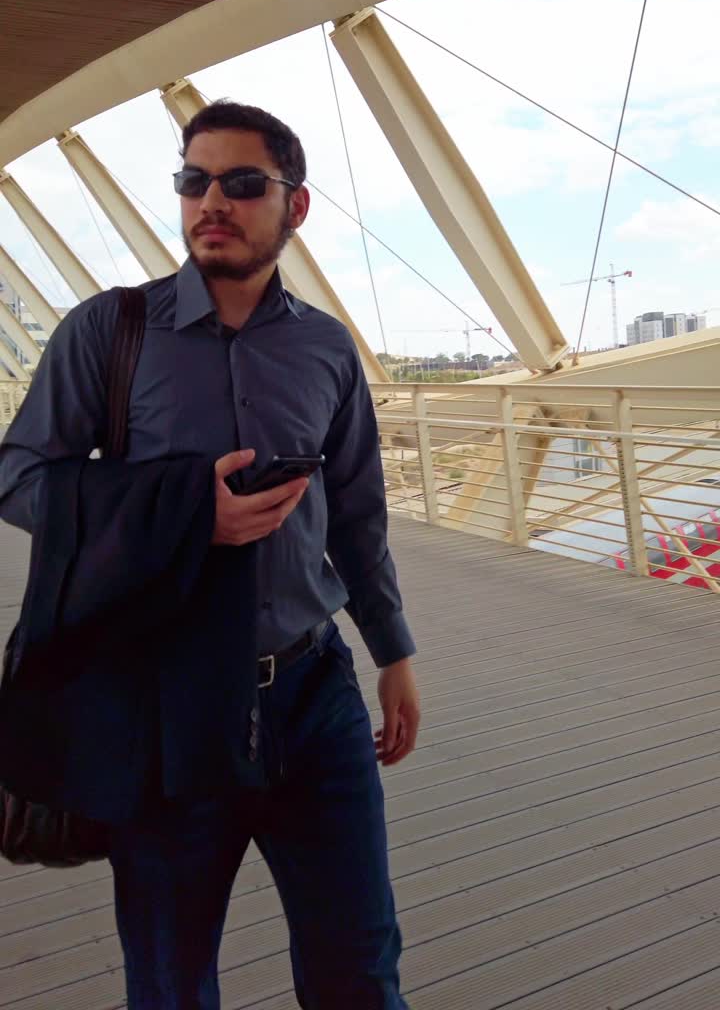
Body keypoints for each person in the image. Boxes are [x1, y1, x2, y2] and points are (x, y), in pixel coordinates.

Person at [0, 100, 420, 1009]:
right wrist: (187, 516)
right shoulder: (108, 333)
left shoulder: (325, 347)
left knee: (361, 966)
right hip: (165, 704)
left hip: (317, 697)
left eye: (241, 183)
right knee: (170, 978)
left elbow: (355, 510)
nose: (210, 202)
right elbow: (20, 475)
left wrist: (394, 651)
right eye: (194, 181)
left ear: (294, 207)